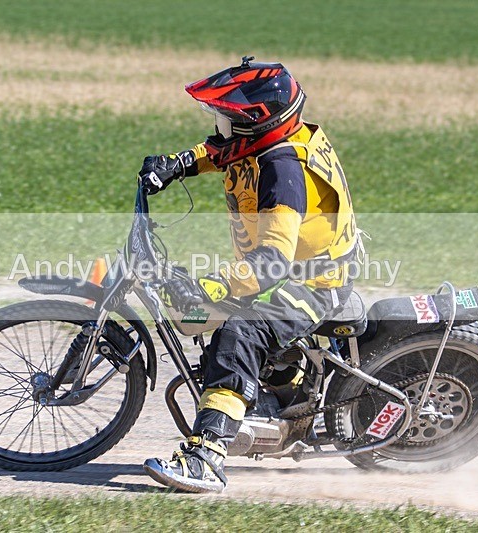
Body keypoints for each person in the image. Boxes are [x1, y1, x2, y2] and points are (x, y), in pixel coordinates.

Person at [139, 57, 361, 493]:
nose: (219, 125)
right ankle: (283, 390)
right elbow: (223, 150)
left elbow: (271, 263)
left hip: (312, 284)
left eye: (226, 117)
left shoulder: (283, 172)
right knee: (227, 319)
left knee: (238, 334)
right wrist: (178, 164)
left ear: (255, 124)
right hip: (290, 271)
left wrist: (210, 285)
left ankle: (206, 457)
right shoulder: (263, 143)